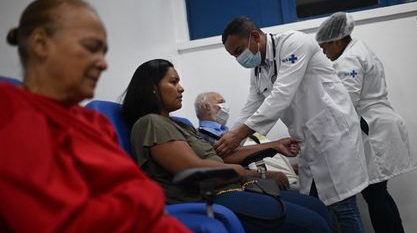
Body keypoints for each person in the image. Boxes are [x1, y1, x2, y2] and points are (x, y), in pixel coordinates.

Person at [0, 0, 191, 232]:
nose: (103, 63)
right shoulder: (10, 113)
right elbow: (64, 222)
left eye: (103, 52)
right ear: (41, 44)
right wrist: (146, 198)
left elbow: (135, 193)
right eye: (91, 48)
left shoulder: (95, 122)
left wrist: (139, 199)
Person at [122, 59, 333, 233]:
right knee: (314, 226)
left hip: (234, 188)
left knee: (318, 208)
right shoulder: (150, 123)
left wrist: (274, 146)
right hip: (212, 198)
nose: (181, 88)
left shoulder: (179, 124)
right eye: (173, 82)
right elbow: (192, 169)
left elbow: (218, 157)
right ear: (152, 89)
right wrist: (248, 174)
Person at [218, 16, 369, 233]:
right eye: (233, 55)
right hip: (308, 141)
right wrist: (232, 138)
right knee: (319, 207)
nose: (238, 58)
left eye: (238, 50)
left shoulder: (293, 43)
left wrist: (239, 135)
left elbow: (282, 95)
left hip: (334, 135)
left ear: (255, 36)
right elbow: (252, 105)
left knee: (343, 208)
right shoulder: (258, 69)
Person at [316, 12, 417, 233]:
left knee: (374, 193)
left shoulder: (348, 60)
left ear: (336, 40)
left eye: (324, 47)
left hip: (373, 129)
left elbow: (346, 103)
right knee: (379, 192)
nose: (324, 52)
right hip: (378, 124)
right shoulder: (360, 49)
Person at [194, 91, 299, 186]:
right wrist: (275, 146)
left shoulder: (228, 132)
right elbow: (226, 158)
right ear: (206, 107)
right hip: (241, 183)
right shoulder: (202, 135)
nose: (226, 107)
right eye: (221, 102)